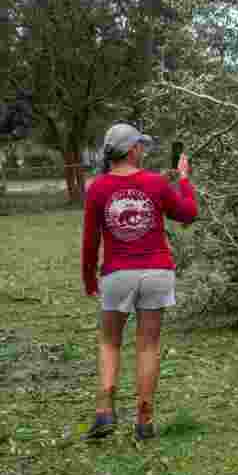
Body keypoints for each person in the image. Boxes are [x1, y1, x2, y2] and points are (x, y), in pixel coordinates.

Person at [80, 122, 197, 441]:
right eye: (141, 145)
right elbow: (188, 213)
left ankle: (105, 410)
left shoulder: (98, 188)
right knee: (148, 344)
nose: (143, 150)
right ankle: (144, 420)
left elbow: (90, 241)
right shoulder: (156, 183)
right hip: (157, 273)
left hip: (117, 274)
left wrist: (89, 278)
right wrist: (184, 180)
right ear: (132, 150)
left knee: (109, 341)